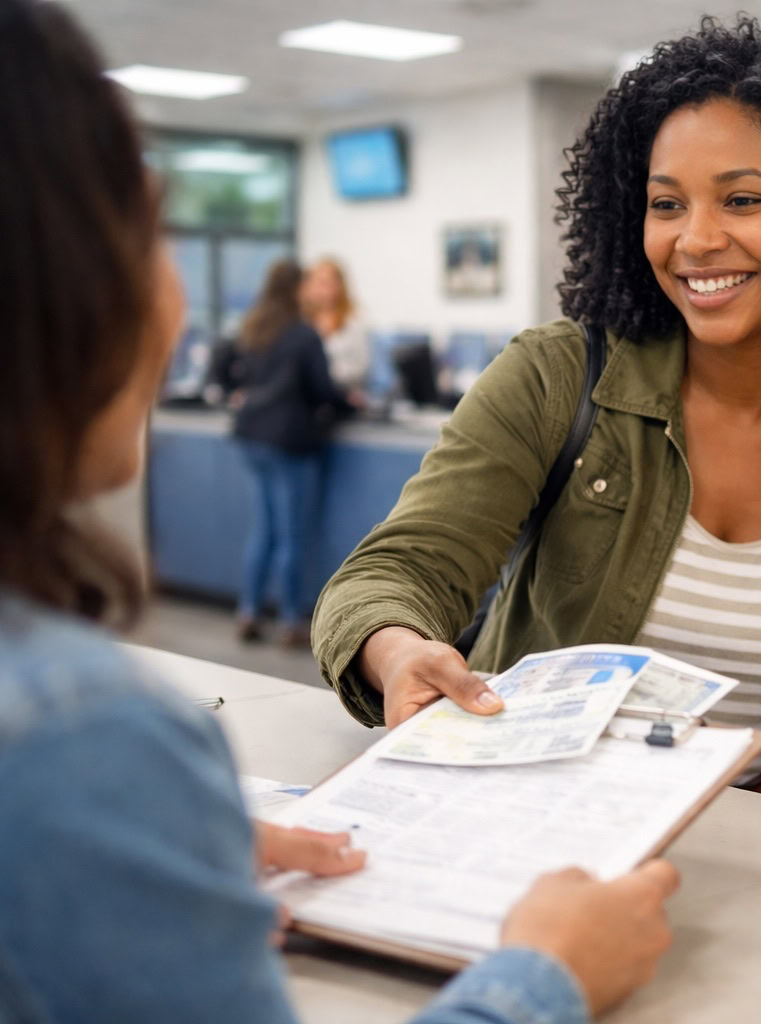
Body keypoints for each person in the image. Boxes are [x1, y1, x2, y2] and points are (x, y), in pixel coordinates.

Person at [0, 3, 677, 1021]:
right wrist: (548, 975)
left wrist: (139, 851)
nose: (175, 298)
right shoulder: (74, 734)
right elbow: (387, 569)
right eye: (148, 230)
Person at [313, 17, 761, 806]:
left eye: (741, 200)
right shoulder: (557, 378)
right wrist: (397, 652)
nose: (695, 240)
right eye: (666, 204)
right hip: (536, 815)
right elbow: (393, 571)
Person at [231, 259, 353, 647]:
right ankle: (289, 621)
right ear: (297, 289)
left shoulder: (254, 328)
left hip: (252, 436)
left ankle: (248, 610)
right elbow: (322, 390)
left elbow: (229, 372)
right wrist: (350, 404)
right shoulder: (303, 335)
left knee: (264, 530)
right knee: (291, 534)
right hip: (290, 441)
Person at [301, 255, 371, 396]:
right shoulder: (302, 322)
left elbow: (361, 369)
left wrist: (323, 373)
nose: (320, 289)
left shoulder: (354, 322)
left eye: (326, 283)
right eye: (316, 282)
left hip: (344, 395)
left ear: (339, 286)